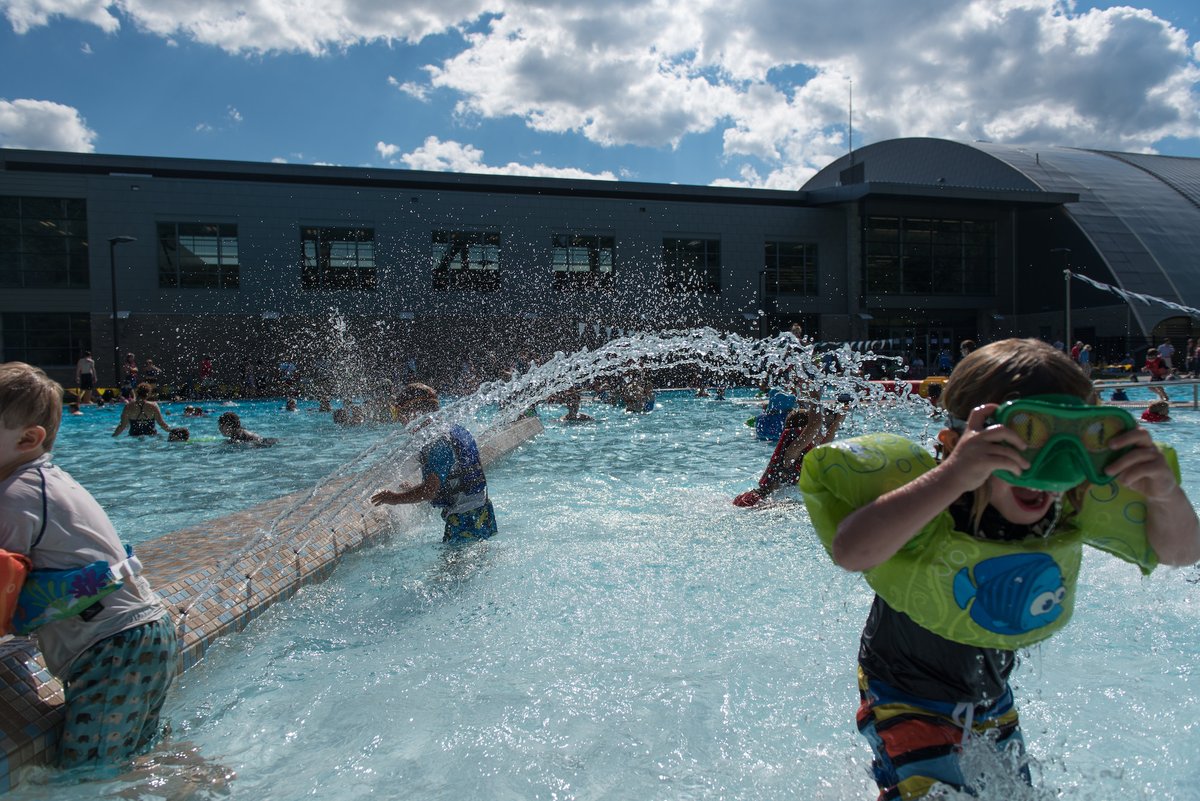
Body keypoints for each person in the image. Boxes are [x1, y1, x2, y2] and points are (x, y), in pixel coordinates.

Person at [798, 338, 1200, 799]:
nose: (1049, 467)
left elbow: (1181, 553)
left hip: (991, 699)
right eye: (1025, 437)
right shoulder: (938, 499)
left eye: (1074, 440)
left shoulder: (1068, 503)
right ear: (958, 442)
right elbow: (852, 551)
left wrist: (1165, 492)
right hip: (904, 695)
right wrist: (952, 477)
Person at [0, 362, 177, 767]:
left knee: (89, 773)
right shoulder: (47, 479)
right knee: (131, 755)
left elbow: (3, 587)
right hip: (142, 634)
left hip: (112, 648)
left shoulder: (12, 497)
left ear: (29, 438)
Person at [370, 383, 497, 543]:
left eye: (400, 414)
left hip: (465, 518)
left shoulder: (437, 442)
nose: (402, 422)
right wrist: (412, 490)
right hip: (480, 510)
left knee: (454, 567)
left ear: (414, 413)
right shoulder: (454, 430)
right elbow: (451, 480)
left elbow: (429, 491)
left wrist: (395, 498)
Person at [733, 404, 845, 507]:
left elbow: (826, 441)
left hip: (764, 501)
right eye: (819, 430)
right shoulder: (791, 453)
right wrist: (815, 396)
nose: (821, 433)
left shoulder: (804, 452)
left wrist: (839, 418)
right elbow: (814, 424)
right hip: (755, 501)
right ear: (803, 432)